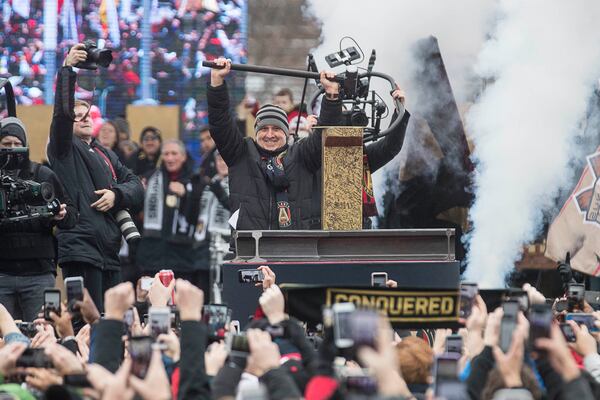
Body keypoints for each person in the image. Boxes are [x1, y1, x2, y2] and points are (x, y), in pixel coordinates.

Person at [46, 43, 144, 311]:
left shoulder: (104, 153)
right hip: (80, 249)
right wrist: (67, 70)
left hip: (109, 252)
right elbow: (62, 116)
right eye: (77, 117)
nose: (84, 118)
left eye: (87, 114)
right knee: (84, 323)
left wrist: (117, 195)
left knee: (111, 323)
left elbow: (136, 186)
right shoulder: (63, 148)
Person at [207, 57, 340, 231]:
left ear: (286, 132)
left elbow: (325, 135)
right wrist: (217, 82)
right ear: (256, 132)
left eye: (276, 129)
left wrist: (331, 95)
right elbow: (220, 124)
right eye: (264, 129)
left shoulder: (302, 155)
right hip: (250, 250)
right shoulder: (241, 153)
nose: (270, 134)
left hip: (295, 250)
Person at [0, 121, 77, 321]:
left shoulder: (42, 175)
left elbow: (71, 216)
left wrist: (61, 214)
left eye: (17, 143)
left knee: (43, 333)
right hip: (2, 274)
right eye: (6, 143)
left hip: (39, 272)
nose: (12, 149)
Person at [135, 139, 210, 296]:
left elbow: (201, 219)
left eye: (174, 154)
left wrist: (187, 195)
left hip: (183, 259)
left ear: (183, 156)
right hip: (152, 256)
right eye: (166, 154)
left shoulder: (197, 181)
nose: (170, 158)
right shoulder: (149, 179)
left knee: (182, 308)